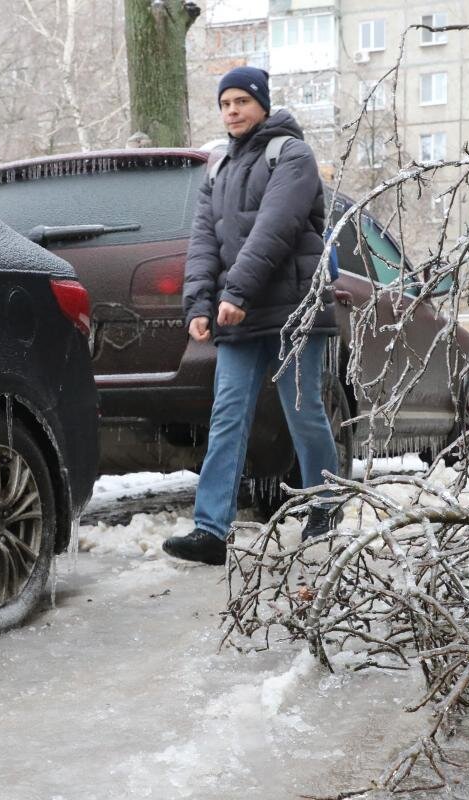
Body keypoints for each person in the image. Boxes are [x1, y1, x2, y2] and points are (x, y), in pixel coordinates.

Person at [162, 66, 341, 566]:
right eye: (225, 103)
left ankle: (326, 506)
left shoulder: (293, 155)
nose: (232, 111)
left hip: (292, 311)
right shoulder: (217, 168)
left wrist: (236, 292)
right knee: (227, 418)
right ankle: (210, 530)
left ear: (262, 103)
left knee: (303, 414)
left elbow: (275, 228)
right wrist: (198, 302)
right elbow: (203, 243)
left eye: (241, 101)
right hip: (237, 314)